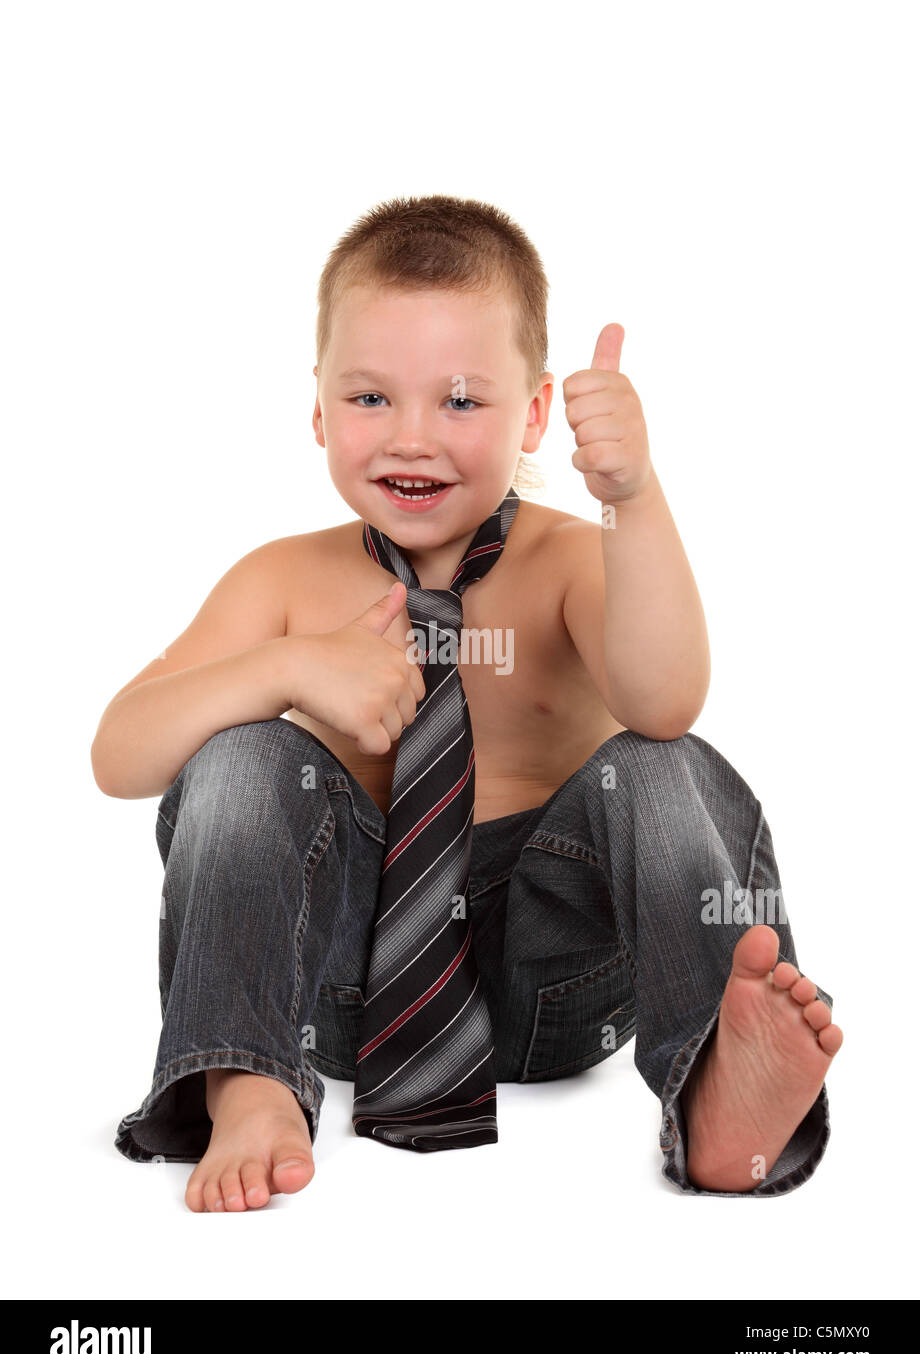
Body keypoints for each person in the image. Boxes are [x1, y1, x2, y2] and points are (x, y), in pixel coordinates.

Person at [91, 193, 842, 1212]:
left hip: (551, 978)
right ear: (316, 407)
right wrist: (288, 668)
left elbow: (666, 700)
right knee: (240, 752)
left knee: (661, 766)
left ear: (532, 411)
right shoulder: (280, 580)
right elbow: (121, 754)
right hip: (337, 987)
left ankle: (714, 1080)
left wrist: (633, 497)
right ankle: (249, 1076)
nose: (412, 437)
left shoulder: (571, 559)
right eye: (368, 400)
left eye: (458, 400)